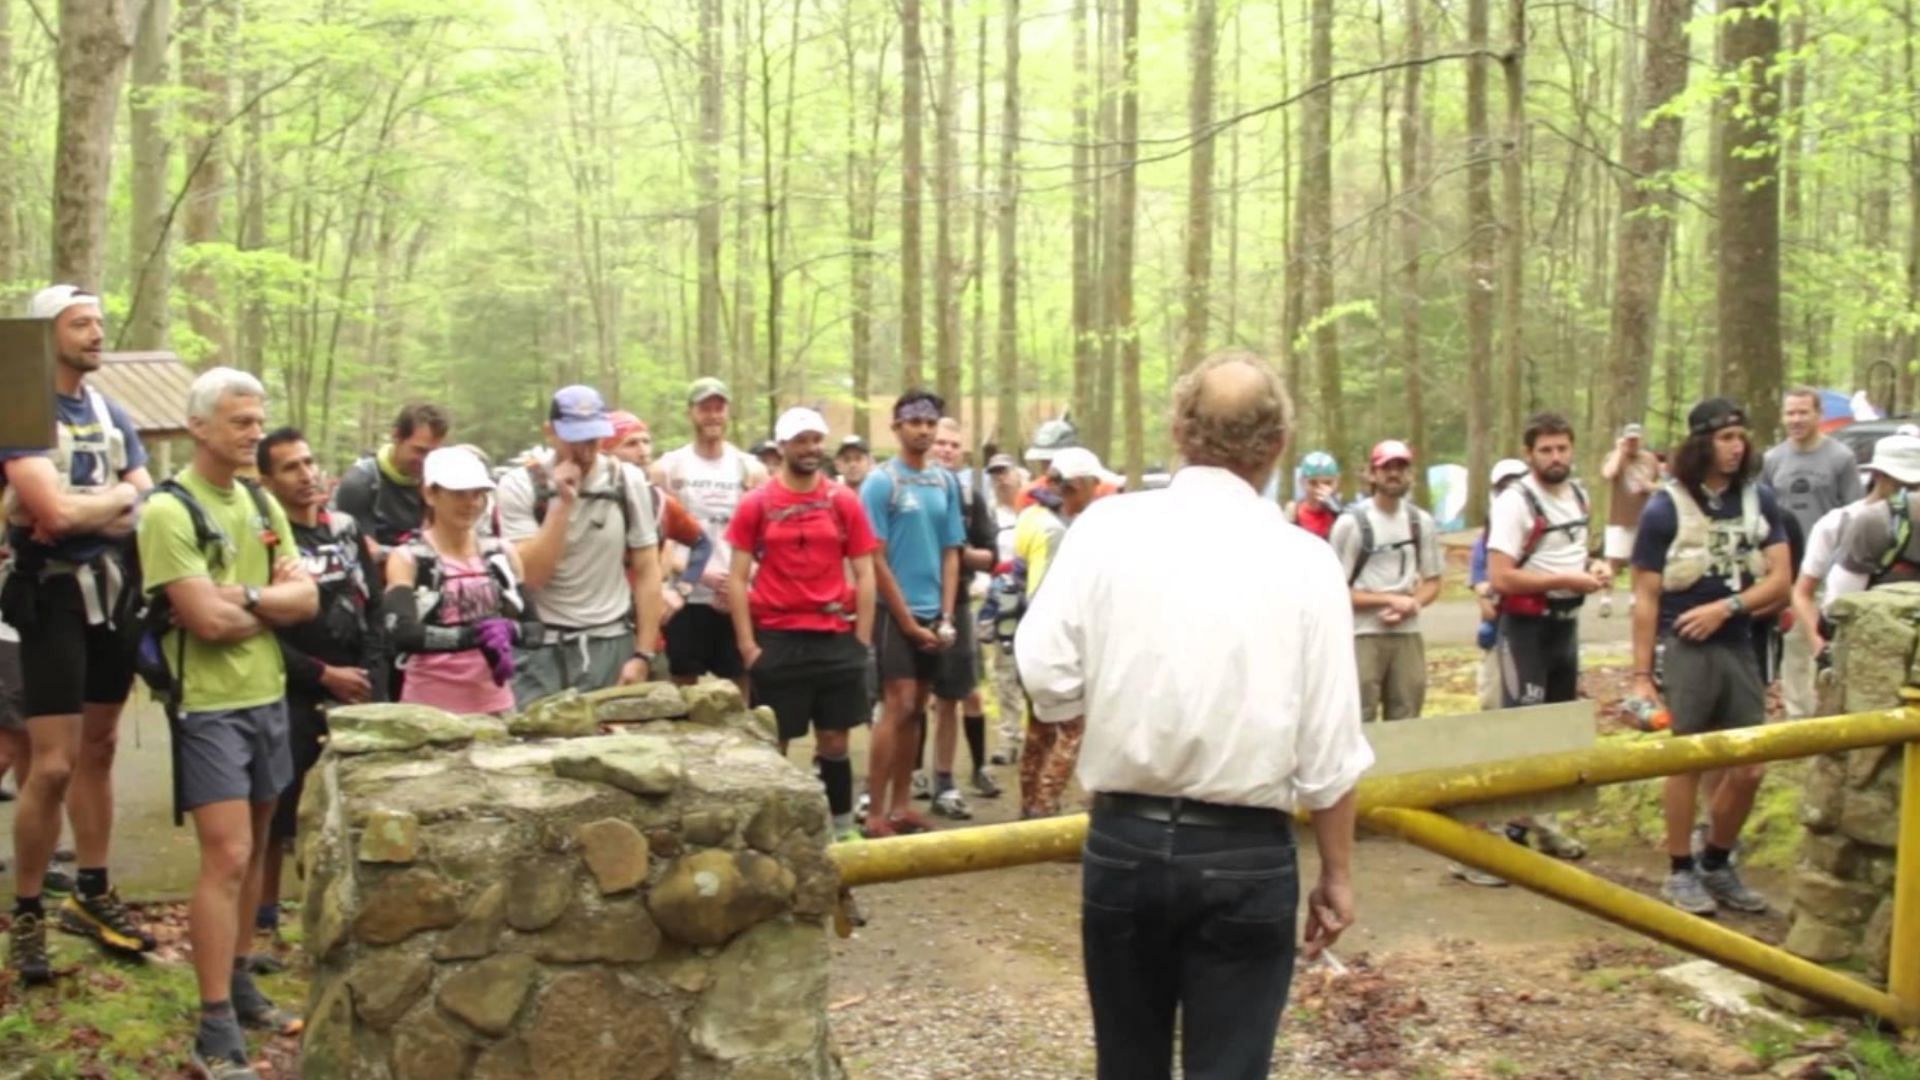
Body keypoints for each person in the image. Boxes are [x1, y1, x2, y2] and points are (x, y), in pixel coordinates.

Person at [1016, 351, 1371, 1080]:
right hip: (1245, 855)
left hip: (1125, 842)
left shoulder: (1106, 529)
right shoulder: (1306, 563)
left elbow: (1046, 673)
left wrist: (1100, 701)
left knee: (1129, 1066)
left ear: (1179, 430)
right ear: (1276, 447)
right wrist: (1337, 873)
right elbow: (1330, 750)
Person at [137, 367, 315, 1077]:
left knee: (261, 840)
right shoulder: (167, 511)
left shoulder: (259, 503)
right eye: (240, 422)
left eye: (258, 419)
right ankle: (213, 1019)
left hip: (267, 693)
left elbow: (306, 601)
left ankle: (240, 978)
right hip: (207, 705)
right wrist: (263, 604)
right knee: (228, 854)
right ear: (200, 426)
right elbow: (204, 623)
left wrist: (245, 595)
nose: (253, 433)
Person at [1, 285, 157, 982]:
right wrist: (111, 503)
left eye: (100, 320)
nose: (97, 333)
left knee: (101, 746)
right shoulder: (21, 404)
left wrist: (109, 502)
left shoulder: (110, 408)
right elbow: (49, 515)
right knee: (54, 763)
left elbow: (141, 490)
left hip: (114, 592)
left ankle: (93, 892)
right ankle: (28, 911)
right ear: (44, 334)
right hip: (50, 597)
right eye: (80, 323)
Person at [1630, 398, 1790, 917]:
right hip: (1684, 647)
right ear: (1701, 443)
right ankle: (1679, 870)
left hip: (1738, 641)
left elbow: (1781, 580)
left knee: (1749, 767)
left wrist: (1728, 607)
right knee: (1688, 758)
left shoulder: (1759, 500)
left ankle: (1717, 858)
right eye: (1725, 438)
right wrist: (1640, 676)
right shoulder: (1664, 507)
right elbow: (1646, 597)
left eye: (1740, 436)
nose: (1736, 446)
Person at [255, 428, 383, 945]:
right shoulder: (264, 541)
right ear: (266, 480)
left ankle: (342, 918)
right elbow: (260, 632)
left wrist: (373, 681)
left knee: (351, 812)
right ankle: (262, 922)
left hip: (358, 690)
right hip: (293, 692)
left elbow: (373, 608)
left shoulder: (347, 529)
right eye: (290, 467)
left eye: (309, 462)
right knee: (276, 813)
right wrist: (322, 676)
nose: (307, 475)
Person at [726, 408, 878, 840]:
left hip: (834, 637)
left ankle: (843, 830)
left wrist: (861, 638)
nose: (811, 448)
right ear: (782, 447)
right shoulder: (757, 503)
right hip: (778, 638)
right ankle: (772, 837)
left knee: (835, 741)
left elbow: (865, 570)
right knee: (776, 741)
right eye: (801, 440)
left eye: (816, 439)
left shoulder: (842, 500)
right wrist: (748, 646)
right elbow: (737, 577)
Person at [498, 386, 664, 704]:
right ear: (551, 432)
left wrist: (643, 654)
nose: (586, 451)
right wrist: (562, 504)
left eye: (594, 438)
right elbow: (531, 577)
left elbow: (647, 569)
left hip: (609, 641)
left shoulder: (626, 481)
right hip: (540, 650)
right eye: (575, 439)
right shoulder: (519, 485)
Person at [859, 389, 964, 838]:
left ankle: (903, 805)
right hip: (892, 614)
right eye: (914, 422)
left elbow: (950, 552)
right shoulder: (882, 482)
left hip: (933, 612)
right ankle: (876, 811)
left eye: (929, 422)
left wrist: (945, 615)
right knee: (896, 704)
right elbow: (874, 557)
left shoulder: (945, 483)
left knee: (919, 707)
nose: (923, 429)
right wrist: (905, 622)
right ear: (896, 426)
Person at [383, 448, 534, 716]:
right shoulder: (408, 559)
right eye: (459, 494)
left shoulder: (502, 554)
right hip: (428, 709)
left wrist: (509, 631)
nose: (471, 503)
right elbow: (402, 633)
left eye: (478, 494)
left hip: (497, 705)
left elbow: (536, 628)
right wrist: (473, 637)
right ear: (430, 494)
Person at [1014, 447, 1117, 820]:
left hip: (1031, 636)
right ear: (1078, 485)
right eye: (1094, 483)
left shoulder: (1033, 516)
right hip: (1056, 642)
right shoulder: (1067, 530)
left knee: (1039, 729)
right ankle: (1043, 807)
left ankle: (1029, 805)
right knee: (1074, 730)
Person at [653, 378, 767, 684]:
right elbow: (658, 541)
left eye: (719, 407)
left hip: (736, 595)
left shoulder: (751, 468)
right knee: (682, 688)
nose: (713, 415)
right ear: (691, 412)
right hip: (685, 596)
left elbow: (764, 539)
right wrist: (696, 572)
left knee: (740, 686)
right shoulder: (668, 467)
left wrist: (742, 578)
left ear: (728, 412)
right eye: (705, 408)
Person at [1762, 387, 1864, 719]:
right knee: (1793, 643)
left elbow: (1855, 512)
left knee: (1832, 638)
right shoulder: (1773, 459)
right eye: (1790, 413)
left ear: (1819, 415)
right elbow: (1763, 513)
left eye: (1803, 412)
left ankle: (1836, 712)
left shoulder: (1841, 458)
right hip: (1788, 566)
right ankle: (1798, 718)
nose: (1796, 419)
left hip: (1828, 566)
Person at [924, 416, 1002, 817]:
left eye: (954, 445)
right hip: (913, 600)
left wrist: (955, 551)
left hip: (956, 605)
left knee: (955, 694)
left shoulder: (971, 496)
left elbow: (993, 556)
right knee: (905, 699)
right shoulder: (908, 487)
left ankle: (948, 779)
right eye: (940, 443)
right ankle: (904, 781)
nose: (946, 450)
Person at [1331, 440, 1442, 722]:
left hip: (1407, 634)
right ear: (1372, 474)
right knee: (1359, 716)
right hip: (1363, 634)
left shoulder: (1421, 522)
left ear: (1411, 474)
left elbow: (1432, 581)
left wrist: (1412, 604)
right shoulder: (1350, 524)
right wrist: (1388, 599)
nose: (1394, 474)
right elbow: (1334, 591)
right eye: (1386, 468)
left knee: (1407, 713)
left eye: (1401, 468)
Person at [1790, 437, 1914, 672]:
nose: (1908, 496)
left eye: (1915, 488)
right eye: (1900, 485)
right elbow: (1803, 592)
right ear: (1879, 476)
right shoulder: (1838, 523)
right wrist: (1820, 645)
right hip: (1850, 648)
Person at [330, 402, 450, 575]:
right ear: (396, 436)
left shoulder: (438, 483)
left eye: (433, 453)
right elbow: (364, 555)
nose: (426, 460)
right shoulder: (361, 482)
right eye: (419, 450)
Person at [1470, 459, 1531, 710]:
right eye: (1503, 487)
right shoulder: (1486, 538)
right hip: (1498, 633)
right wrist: (1486, 594)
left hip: (1536, 632)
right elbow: (1481, 586)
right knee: (1493, 703)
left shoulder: (1541, 531)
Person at [982, 453, 1027, 764]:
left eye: (1005, 472)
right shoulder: (990, 516)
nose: (1001, 479)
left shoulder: (1036, 509)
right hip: (1004, 603)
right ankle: (1009, 739)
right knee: (1004, 673)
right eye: (995, 474)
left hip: (1037, 601)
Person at [1600, 423, 1660, 617]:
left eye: (1636, 439)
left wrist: (1651, 487)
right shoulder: (1616, 457)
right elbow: (1608, 474)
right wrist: (1619, 450)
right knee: (1613, 560)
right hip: (1618, 517)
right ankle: (1606, 599)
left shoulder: (1650, 459)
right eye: (1629, 439)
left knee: (1638, 561)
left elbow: (1661, 484)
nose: (1633, 443)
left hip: (1643, 517)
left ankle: (1634, 600)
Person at [1290, 450, 1343, 539]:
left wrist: (1337, 513)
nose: (1319, 490)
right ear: (1302, 482)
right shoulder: (1292, 514)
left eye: (1327, 483)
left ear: (1337, 482)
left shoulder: (1344, 513)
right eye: (1313, 483)